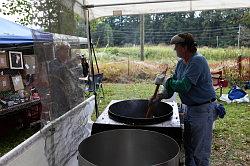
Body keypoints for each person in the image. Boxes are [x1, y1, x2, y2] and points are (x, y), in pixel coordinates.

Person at [151, 33, 216, 166]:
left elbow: (184, 86)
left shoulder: (198, 61)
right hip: (189, 108)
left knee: (200, 152)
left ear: (185, 47)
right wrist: (160, 96)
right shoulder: (181, 63)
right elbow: (173, 85)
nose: (174, 49)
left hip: (203, 110)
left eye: (176, 46)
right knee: (189, 148)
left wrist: (168, 81)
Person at [48, 42, 83, 119]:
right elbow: (57, 72)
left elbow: (78, 75)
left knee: (72, 117)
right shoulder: (52, 63)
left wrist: (82, 64)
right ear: (58, 52)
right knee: (61, 118)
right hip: (59, 96)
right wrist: (70, 62)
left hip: (71, 96)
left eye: (68, 51)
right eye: (65, 51)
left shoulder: (70, 62)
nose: (67, 53)